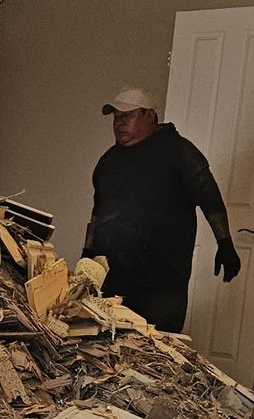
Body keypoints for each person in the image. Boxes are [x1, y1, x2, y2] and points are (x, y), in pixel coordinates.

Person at [82, 87, 240, 333]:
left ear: (150, 116)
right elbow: (98, 212)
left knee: (157, 347)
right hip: (113, 279)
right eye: (115, 117)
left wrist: (225, 243)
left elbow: (209, 197)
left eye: (127, 116)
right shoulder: (108, 162)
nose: (119, 123)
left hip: (161, 283)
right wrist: (87, 252)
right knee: (110, 347)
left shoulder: (179, 152)